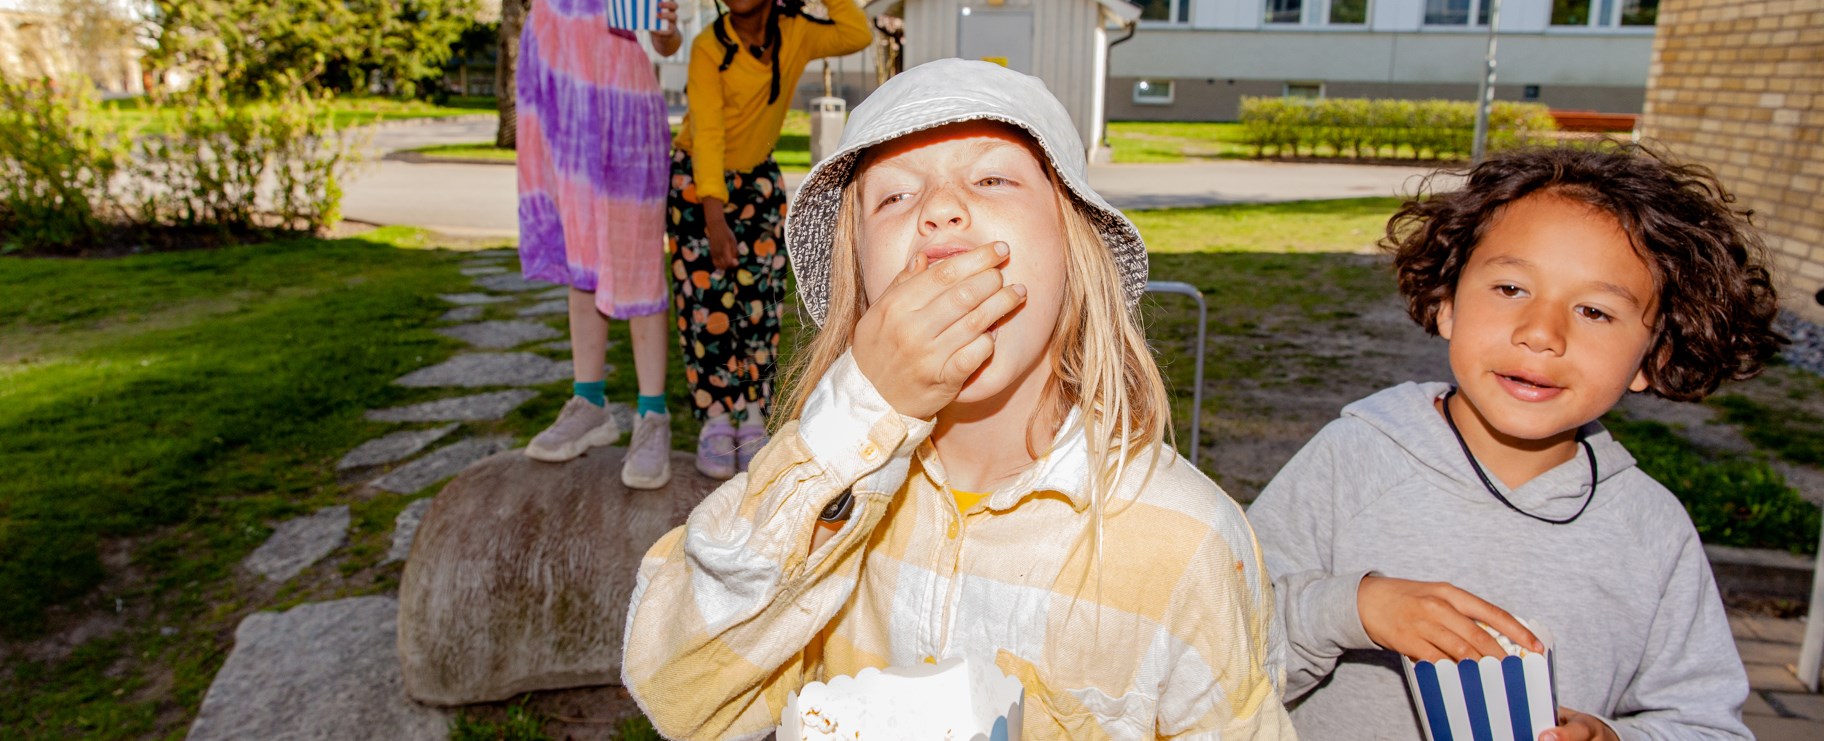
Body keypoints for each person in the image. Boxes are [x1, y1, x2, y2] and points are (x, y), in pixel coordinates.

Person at [622, 59, 1293, 740]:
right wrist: (861, 409)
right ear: (862, 285)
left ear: (1075, 250)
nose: (941, 208)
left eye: (992, 178)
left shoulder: (1189, 541)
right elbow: (677, 691)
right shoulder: (818, 501)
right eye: (894, 197)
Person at [1247, 144, 1786, 741]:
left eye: (1594, 311)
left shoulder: (1652, 530)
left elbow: (1706, 725)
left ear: (1653, 357)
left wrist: (1614, 737)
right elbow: (1213, 666)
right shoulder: (1350, 461)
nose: (1541, 334)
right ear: (1446, 301)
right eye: (1510, 289)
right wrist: (1352, 610)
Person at [667, 0, 870, 479]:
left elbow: (855, 32)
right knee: (707, 305)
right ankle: (716, 419)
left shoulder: (796, 31)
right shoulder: (707, 47)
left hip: (758, 180)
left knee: (758, 303)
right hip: (699, 182)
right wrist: (713, 217)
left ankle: (753, 414)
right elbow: (709, 134)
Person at [517, 0, 679, 489]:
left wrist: (668, 27)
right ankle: (589, 403)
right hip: (558, 103)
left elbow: (665, 43)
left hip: (625, 107)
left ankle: (653, 416)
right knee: (578, 258)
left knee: (636, 258)